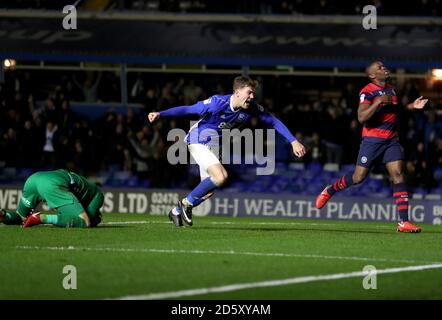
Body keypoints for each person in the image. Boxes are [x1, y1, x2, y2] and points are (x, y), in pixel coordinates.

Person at [148, 76, 306, 227]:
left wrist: (293, 141)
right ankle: (185, 204)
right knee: (221, 176)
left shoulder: (251, 108)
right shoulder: (217, 102)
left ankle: (176, 211)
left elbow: (272, 121)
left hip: (216, 146)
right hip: (199, 139)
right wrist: (160, 114)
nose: (252, 96)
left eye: (253, 93)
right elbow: (188, 109)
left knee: (208, 191)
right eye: (249, 92)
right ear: (237, 92)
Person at [315, 61, 428, 233]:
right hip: (372, 141)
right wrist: (377, 103)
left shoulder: (391, 89)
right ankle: (330, 190)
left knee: (398, 175)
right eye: (379, 68)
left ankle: (404, 222)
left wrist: (412, 106)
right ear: (372, 76)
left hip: (391, 140)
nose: (384, 68)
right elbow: (361, 117)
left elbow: (396, 111)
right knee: (358, 177)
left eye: (383, 66)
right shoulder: (367, 92)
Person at [0, 169, 104, 228]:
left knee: (20, 216)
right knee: (85, 221)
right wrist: (94, 220)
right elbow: (86, 221)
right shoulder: (97, 195)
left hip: (34, 179)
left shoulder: (88, 189)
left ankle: (3, 215)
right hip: (52, 184)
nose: (99, 214)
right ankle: (40, 218)